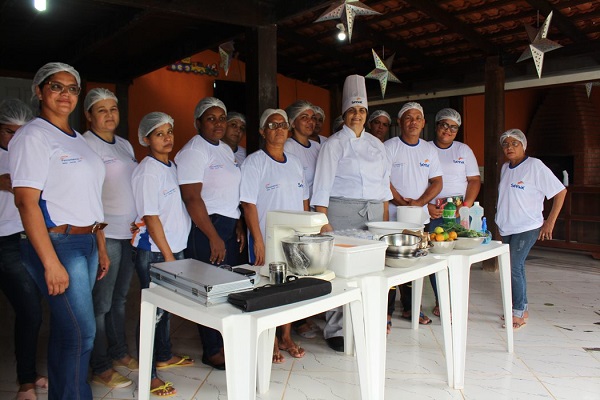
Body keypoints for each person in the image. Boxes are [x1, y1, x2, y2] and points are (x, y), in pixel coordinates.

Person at [9, 62, 107, 400]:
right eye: (56, 86)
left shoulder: (77, 139)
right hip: (58, 243)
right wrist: (50, 262)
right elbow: (26, 203)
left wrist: (101, 245)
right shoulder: (33, 136)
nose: (66, 94)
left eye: (72, 88)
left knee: (68, 331)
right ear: (39, 91)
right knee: (82, 333)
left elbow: (88, 198)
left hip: (86, 240)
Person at [311, 75, 392, 351]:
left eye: (361, 111)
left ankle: (364, 322)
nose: (357, 115)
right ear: (344, 113)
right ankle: (336, 329)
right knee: (341, 272)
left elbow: (383, 190)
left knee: (368, 271)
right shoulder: (333, 144)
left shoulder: (377, 146)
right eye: (352, 110)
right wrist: (324, 223)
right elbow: (321, 188)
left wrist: (384, 224)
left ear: (366, 114)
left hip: (373, 214)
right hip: (340, 213)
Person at [175, 97, 244, 370]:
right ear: (197, 123)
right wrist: (213, 236)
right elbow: (192, 198)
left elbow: (230, 192)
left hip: (228, 224)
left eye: (221, 118)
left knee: (230, 287)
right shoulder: (194, 151)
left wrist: (238, 221)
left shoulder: (225, 150)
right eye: (210, 118)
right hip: (207, 226)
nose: (218, 123)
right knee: (210, 290)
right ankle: (212, 349)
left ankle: (227, 342)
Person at [132, 112, 193, 397]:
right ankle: (149, 375)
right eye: (159, 134)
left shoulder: (170, 165)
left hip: (172, 250)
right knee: (152, 312)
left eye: (169, 131)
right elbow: (151, 217)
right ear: (146, 139)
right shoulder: (148, 171)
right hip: (156, 252)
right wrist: (169, 256)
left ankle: (164, 356)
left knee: (165, 309)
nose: (167, 138)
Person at [240, 108, 309, 363]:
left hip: (293, 239)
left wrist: (305, 236)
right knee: (267, 287)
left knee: (290, 286)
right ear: (262, 131)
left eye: (282, 124)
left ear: (288, 130)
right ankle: (267, 338)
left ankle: (286, 336)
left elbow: (304, 201)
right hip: (266, 238)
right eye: (272, 125)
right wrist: (257, 239)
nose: (278, 129)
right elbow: (248, 205)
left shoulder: (295, 163)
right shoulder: (254, 162)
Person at [82, 88, 139, 388]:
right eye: (101, 110)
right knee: (101, 304)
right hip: (106, 236)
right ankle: (100, 365)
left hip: (128, 234)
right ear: (89, 115)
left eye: (113, 109)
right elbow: (88, 197)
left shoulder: (125, 145)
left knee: (119, 299)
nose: (108, 115)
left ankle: (119, 352)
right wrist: (101, 243)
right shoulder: (85, 146)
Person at [0, 99, 48, 400]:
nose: (14, 138)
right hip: (4, 241)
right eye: (8, 132)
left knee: (31, 311)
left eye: (21, 133)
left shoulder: (29, 154)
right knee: (29, 310)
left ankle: (27, 376)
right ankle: (25, 382)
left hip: (26, 238)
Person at [496, 129, 566, 330]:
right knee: (513, 267)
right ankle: (521, 308)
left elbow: (560, 191)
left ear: (523, 146)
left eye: (514, 143)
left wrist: (549, 222)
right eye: (506, 144)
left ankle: (518, 312)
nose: (509, 147)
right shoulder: (505, 168)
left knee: (514, 266)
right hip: (507, 226)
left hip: (527, 226)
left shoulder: (534, 166)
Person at [385, 102, 443, 328]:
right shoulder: (389, 147)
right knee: (389, 265)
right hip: (391, 217)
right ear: (399, 123)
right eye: (408, 118)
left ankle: (411, 308)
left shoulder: (429, 149)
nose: (413, 122)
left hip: (419, 219)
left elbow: (437, 181)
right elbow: (383, 180)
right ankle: (386, 312)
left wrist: (418, 203)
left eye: (418, 118)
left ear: (423, 123)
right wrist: (401, 202)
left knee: (413, 265)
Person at [427, 108, 481, 317]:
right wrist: (427, 206)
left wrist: (465, 205)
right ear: (436, 126)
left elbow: (474, 180)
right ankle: (441, 300)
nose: (448, 130)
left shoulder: (463, 150)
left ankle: (456, 299)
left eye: (453, 127)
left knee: (459, 256)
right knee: (437, 256)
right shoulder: (426, 149)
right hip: (434, 210)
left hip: (459, 210)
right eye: (444, 125)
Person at [284, 100, 320, 197]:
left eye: (313, 118)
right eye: (304, 117)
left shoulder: (317, 146)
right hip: (299, 205)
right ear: (293, 123)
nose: (310, 121)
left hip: (316, 205)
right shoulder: (288, 148)